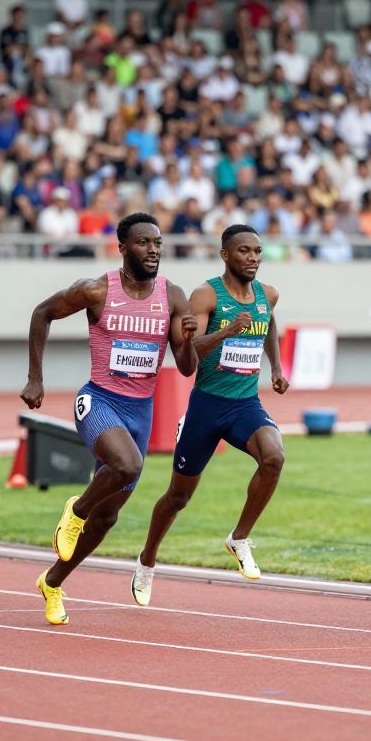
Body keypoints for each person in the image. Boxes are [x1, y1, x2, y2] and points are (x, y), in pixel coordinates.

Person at [21, 213, 198, 625]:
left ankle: (52, 581)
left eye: (157, 243)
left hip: (141, 412)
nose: (152, 250)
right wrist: (35, 377)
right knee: (128, 465)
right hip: (99, 400)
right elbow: (41, 313)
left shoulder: (172, 296)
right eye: (143, 243)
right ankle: (75, 510)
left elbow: (186, 367)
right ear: (122, 248)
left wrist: (188, 338)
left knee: (109, 517)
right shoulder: (97, 290)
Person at [132, 225, 288, 606]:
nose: (252, 258)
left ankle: (239, 538)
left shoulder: (268, 294)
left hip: (245, 405)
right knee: (178, 497)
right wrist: (226, 332)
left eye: (257, 251)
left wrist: (277, 367)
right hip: (207, 406)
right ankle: (147, 560)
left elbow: (267, 325)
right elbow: (188, 353)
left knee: (274, 456)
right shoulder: (206, 295)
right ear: (225, 255)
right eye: (244, 252)